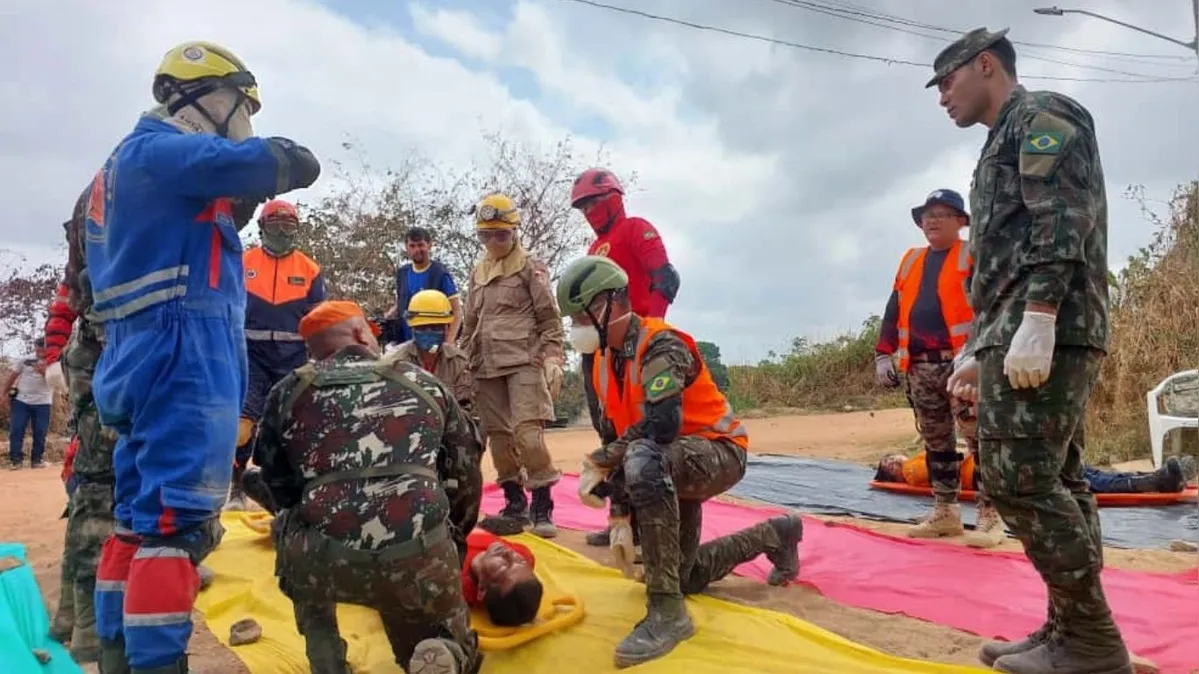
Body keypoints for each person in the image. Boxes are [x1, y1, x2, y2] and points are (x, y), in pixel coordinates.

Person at [85, 41, 320, 673]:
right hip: (181, 351)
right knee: (177, 527)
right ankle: (158, 664)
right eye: (242, 105)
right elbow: (292, 160)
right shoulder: (163, 151)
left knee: (137, 520)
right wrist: (250, 166)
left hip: (136, 351)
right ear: (208, 95)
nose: (244, 118)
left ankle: (116, 656)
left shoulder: (116, 169)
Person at [932, 28, 1130, 673]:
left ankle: (1092, 641)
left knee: (1018, 478)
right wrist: (983, 341)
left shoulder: (1041, 116)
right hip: (1017, 329)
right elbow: (1003, 257)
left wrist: (1040, 316)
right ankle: (1068, 628)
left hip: (1051, 325)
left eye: (948, 80)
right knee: (1059, 479)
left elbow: (1063, 216)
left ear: (986, 64)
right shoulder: (999, 141)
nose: (942, 97)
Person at [556, 255, 803, 669]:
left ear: (609, 304)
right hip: (666, 461)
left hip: (717, 452)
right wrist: (619, 516)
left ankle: (667, 612)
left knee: (643, 457)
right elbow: (615, 438)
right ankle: (776, 534)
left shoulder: (661, 344)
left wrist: (602, 460)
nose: (577, 327)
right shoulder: (599, 362)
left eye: (581, 316)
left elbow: (661, 425)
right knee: (683, 576)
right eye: (573, 319)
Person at [252, 300, 484, 674]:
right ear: (361, 334)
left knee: (288, 521)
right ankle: (445, 650)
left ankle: (326, 657)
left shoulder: (287, 392)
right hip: (419, 556)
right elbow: (465, 476)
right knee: (418, 579)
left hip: (325, 561)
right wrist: (449, 540)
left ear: (311, 350)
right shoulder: (424, 383)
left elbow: (278, 484)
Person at [874, 189, 1003, 548]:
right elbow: (894, 308)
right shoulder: (910, 260)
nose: (931, 221)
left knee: (980, 438)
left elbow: (994, 307)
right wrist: (883, 353)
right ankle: (945, 511)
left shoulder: (972, 255)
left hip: (964, 364)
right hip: (921, 366)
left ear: (960, 221)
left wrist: (982, 355)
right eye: (927, 215)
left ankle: (990, 516)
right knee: (936, 441)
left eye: (941, 214)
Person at [571, 168, 681, 551]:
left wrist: (653, 327)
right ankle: (621, 522)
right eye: (583, 206)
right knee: (609, 432)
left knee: (644, 431)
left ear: (613, 198)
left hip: (638, 343)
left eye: (593, 202)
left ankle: (650, 520)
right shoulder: (593, 248)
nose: (589, 211)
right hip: (603, 350)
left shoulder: (636, 229)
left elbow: (666, 278)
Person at [41, 188, 119, 664]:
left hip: (97, 363)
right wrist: (53, 357)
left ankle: (72, 614)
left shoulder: (96, 248)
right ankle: (88, 624)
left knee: (93, 485)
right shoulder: (112, 251)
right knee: (100, 487)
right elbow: (64, 307)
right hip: (105, 367)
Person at [460, 193, 565, 539]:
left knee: (527, 434)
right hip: (484, 364)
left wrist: (553, 357)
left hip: (523, 360)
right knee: (499, 438)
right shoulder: (478, 272)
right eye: (486, 235)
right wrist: (461, 361)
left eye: (501, 235)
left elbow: (549, 319)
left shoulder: (530, 268)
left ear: (514, 232)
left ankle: (542, 503)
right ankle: (514, 500)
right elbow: (470, 322)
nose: (493, 242)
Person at [227, 199, 326, 511]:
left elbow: (318, 319)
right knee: (242, 427)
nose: (282, 232)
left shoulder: (310, 269)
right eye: (275, 225)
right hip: (250, 357)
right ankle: (237, 488)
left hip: (292, 358)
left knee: (292, 427)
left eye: (288, 226)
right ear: (261, 227)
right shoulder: (242, 263)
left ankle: (287, 495)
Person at [875, 453, 1189, 495]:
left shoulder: (912, 468)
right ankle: (1151, 481)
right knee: (1075, 477)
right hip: (991, 470)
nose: (895, 456)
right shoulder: (910, 469)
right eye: (890, 458)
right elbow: (949, 461)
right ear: (890, 467)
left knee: (1076, 471)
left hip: (992, 466)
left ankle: (1156, 477)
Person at [394, 290, 474, 411]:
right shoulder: (396, 362)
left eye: (435, 327)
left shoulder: (458, 362)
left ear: (446, 328)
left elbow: (465, 408)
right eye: (422, 327)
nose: (428, 332)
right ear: (412, 328)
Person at [384, 227, 462, 345]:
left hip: (433, 344)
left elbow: (457, 311)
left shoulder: (439, 273)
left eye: (420, 245)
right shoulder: (402, 273)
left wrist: (449, 343)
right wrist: (389, 316)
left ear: (429, 245)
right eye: (412, 246)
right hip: (406, 344)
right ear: (407, 248)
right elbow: (402, 302)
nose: (417, 250)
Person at [462, 528, 543, 627]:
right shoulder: (524, 555)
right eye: (521, 561)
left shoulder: (453, 576)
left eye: (503, 566)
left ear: (482, 589)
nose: (508, 553)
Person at [4, 337, 53, 469]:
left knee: (40, 432)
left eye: (43, 348)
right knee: (17, 429)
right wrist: (3, 394)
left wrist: (43, 372)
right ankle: (16, 461)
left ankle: (37, 460)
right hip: (21, 401)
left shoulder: (53, 361)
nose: (40, 351)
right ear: (35, 347)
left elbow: (57, 382)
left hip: (43, 402)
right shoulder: (25, 360)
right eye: (38, 348)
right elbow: (12, 376)